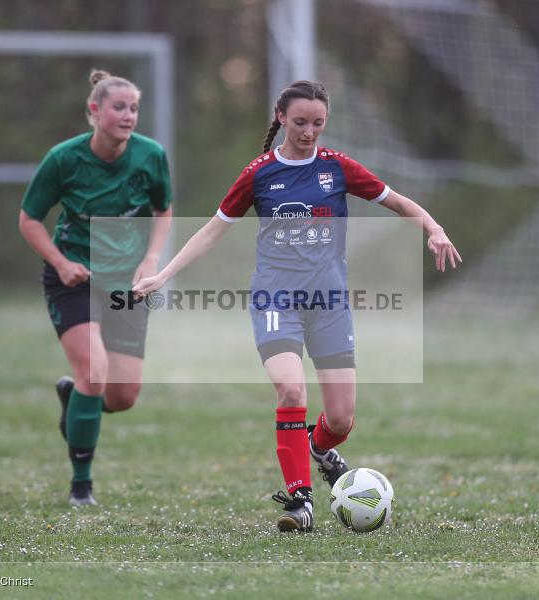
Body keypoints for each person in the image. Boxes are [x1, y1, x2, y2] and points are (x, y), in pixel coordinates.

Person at [133, 80, 460, 532]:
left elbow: (400, 202)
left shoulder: (338, 168)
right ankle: (300, 502)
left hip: (329, 305)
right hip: (275, 300)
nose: (309, 132)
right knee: (291, 392)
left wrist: (433, 227)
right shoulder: (259, 173)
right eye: (301, 122)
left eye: (318, 124)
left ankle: (319, 448)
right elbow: (213, 228)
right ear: (281, 117)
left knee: (341, 419)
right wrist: (164, 275)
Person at [19, 70, 173, 506]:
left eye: (134, 108)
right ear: (94, 111)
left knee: (122, 397)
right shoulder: (64, 159)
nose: (129, 116)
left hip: (127, 282)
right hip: (75, 279)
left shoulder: (150, 156)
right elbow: (28, 220)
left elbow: (164, 209)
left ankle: (75, 399)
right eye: (119, 107)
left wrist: (149, 259)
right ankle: (80, 485)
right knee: (94, 372)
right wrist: (62, 262)